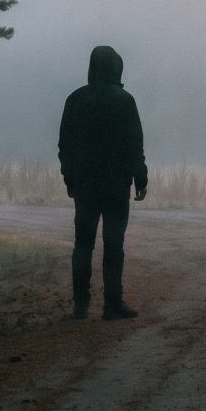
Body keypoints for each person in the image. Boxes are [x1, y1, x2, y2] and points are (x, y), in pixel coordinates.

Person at [58, 45, 148, 321]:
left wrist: (70, 178)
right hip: (116, 186)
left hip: (85, 185)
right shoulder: (124, 100)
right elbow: (134, 145)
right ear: (116, 68)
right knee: (114, 244)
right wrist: (140, 178)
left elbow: (65, 145)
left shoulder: (75, 99)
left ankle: (80, 305)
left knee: (82, 245)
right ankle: (112, 304)